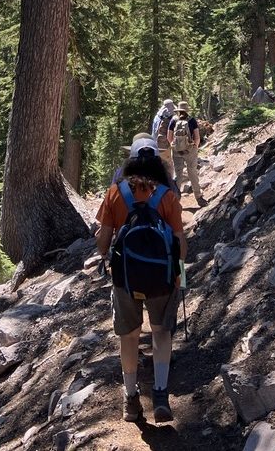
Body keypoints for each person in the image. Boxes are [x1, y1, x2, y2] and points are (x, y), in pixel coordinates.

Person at [96, 137, 187, 424]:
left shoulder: (115, 193)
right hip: (161, 277)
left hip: (125, 277)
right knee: (161, 332)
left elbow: (103, 239)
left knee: (130, 335)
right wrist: (180, 274)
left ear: (131, 161)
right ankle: (160, 394)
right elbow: (179, 241)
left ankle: (131, 399)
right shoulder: (167, 195)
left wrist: (104, 257)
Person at [167, 101, 207, 207]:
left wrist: (174, 146)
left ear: (178, 111)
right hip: (190, 151)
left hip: (176, 152)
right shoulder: (191, 120)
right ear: (187, 110)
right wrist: (194, 148)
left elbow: (169, 137)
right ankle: (199, 198)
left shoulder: (173, 120)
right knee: (192, 173)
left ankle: (174, 201)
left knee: (178, 175)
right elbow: (197, 137)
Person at [151, 98, 175, 183]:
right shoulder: (170, 117)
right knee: (168, 165)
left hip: (155, 145)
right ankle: (169, 185)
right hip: (165, 145)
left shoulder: (157, 117)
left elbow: (153, 132)